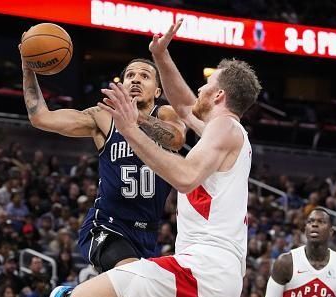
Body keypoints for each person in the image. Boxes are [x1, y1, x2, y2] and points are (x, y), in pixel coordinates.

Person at [50, 19, 261, 297]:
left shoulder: (225, 128)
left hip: (204, 268)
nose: (199, 89)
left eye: (207, 84)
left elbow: (184, 178)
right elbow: (186, 108)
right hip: (213, 270)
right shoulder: (223, 131)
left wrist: (129, 129)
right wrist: (161, 56)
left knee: (77, 294)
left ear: (219, 94)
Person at [19, 40, 186, 272]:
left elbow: (176, 139)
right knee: (130, 275)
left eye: (145, 76)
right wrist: (28, 69)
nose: (136, 79)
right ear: (123, 84)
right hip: (106, 225)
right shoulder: (102, 117)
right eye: (130, 75)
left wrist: (135, 117)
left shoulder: (166, 113)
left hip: (147, 232)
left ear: (158, 91)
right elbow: (41, 118)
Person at [264, 207, 336, 297]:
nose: (314, 224)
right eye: (310, 221)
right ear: (305, 230)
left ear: (331, 231)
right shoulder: (285, 262)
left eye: (321, 221)